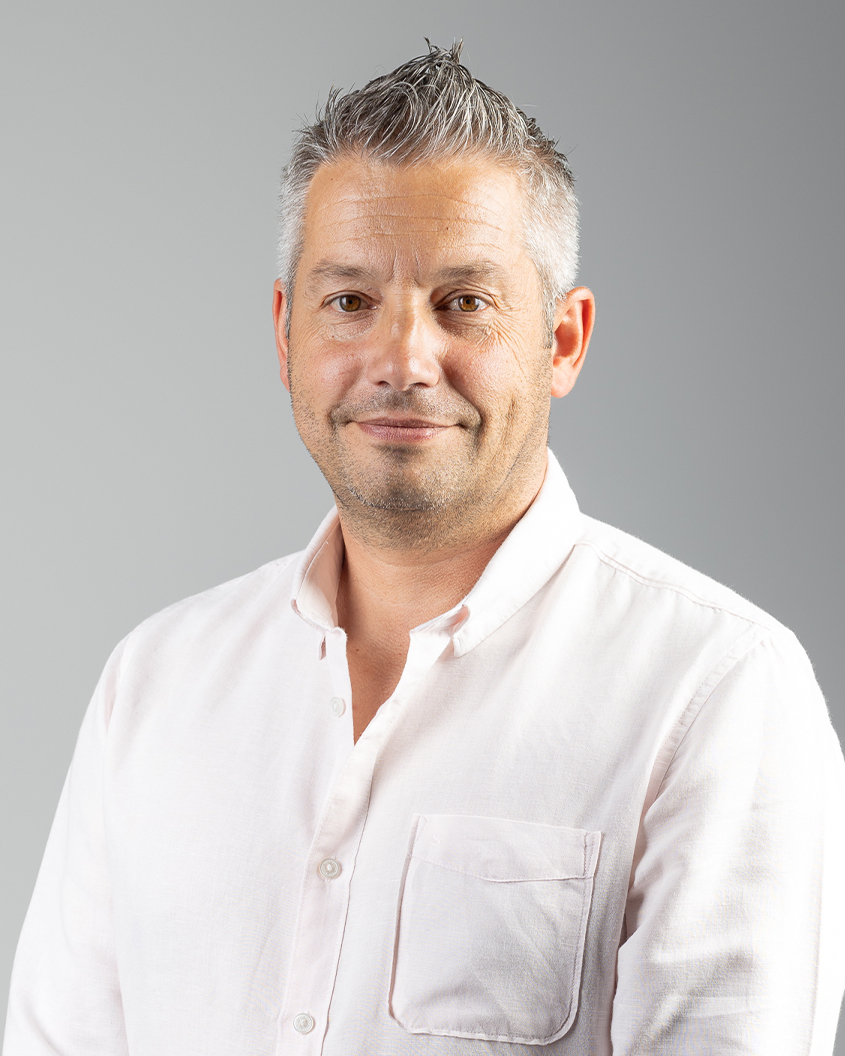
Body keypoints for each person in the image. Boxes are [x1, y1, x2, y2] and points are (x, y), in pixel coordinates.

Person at [4, 42, 845, 1056]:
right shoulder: (154, 683)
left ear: (563, 341)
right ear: (285, 334)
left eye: (464, 302)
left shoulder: (714, 693)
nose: (401, 359)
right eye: (349, 301)